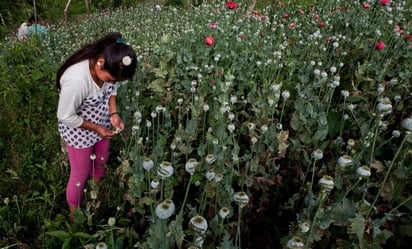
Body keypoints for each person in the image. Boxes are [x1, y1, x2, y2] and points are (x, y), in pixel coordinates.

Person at [56, 32, 138, 221]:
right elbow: (65, 116)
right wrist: (95, 128)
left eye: (116, 81)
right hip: (78, 131)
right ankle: (75, 217)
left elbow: (111, 92)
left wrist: (113, 114)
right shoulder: (77, 80)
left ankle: (95, 196)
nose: (112, 83)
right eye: (110, 79)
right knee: (80, 173)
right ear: (100, 62)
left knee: (101, 160)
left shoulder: (110, 67)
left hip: (101, 123)